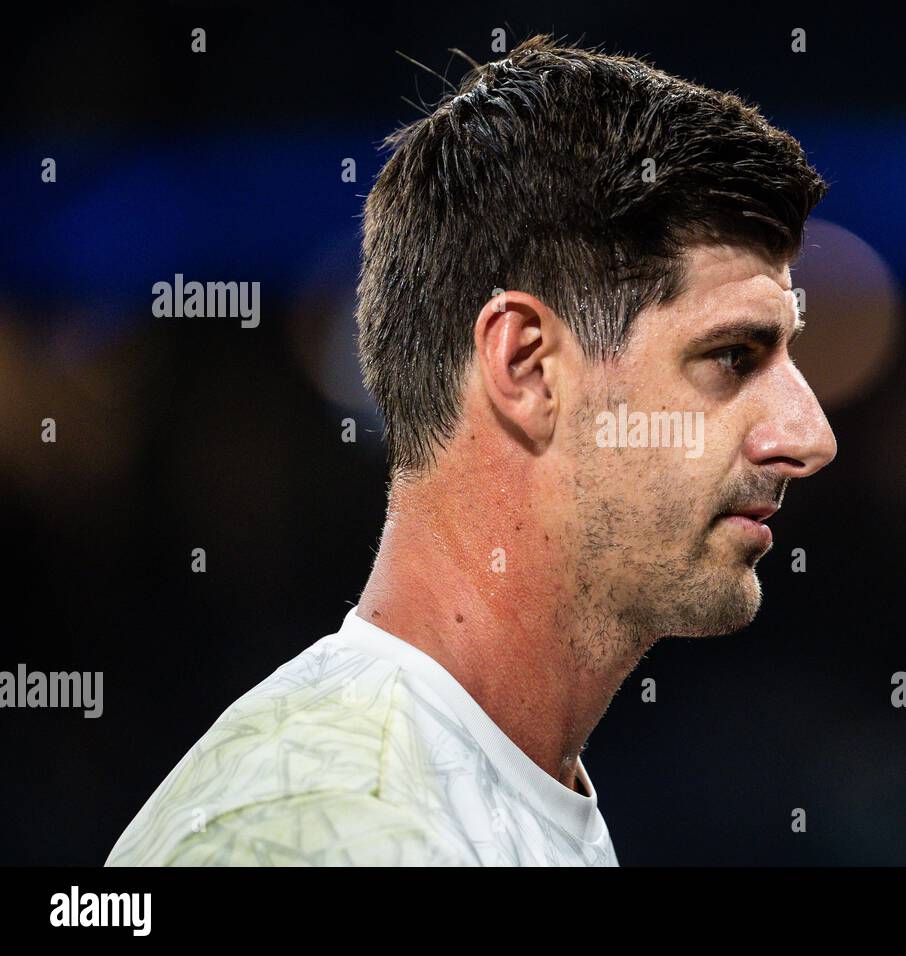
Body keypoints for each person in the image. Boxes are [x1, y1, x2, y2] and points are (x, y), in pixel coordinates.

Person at [106, 33, 836, 867]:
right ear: (525, 367)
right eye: (733, 357)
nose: (808, 438)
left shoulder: (451, 790)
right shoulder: (329, 828)